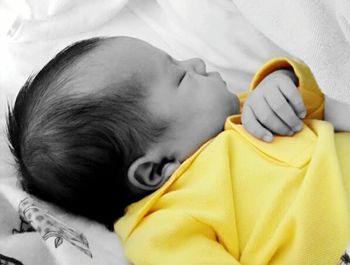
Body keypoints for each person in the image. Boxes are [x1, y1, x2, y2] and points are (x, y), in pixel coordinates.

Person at [6, 36, 350, 264]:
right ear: (156, 169)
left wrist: (280, 83)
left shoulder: (243, 114)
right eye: (181, 77)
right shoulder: (161, 228)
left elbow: (319, 104)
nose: (196, 62)